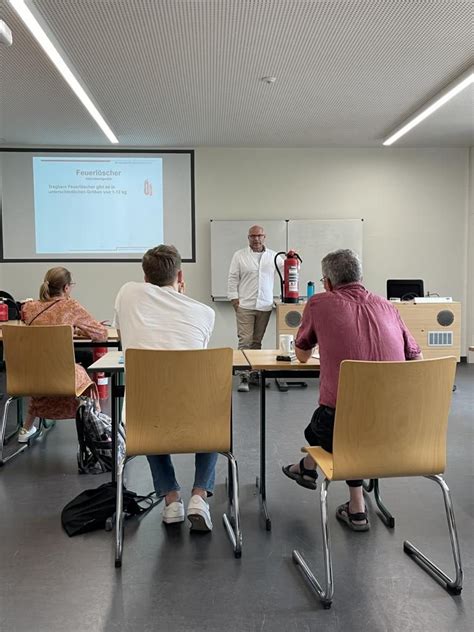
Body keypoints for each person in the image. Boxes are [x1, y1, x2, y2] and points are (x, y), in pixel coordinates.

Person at [282, 249, 422, 531]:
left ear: (329, 283)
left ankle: (314, 471)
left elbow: (302, 356)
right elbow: (415, 359)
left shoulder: (319, 303)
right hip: (399, 428)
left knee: (329, 425)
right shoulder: (388, 307)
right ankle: (335, 490)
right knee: (354, 419)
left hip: (343, 429)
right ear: (361, 277)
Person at [113, 245, 216, 532]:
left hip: (145, 419)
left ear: (145, 277)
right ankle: (199, 496)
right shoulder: (205, 313)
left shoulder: (127, 293)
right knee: (213, 409)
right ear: (180, 275)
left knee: (148, 406)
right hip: (197, 419)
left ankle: (171, 499)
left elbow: (122, 337)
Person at [19, 267, 107, 442]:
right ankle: (99, 432)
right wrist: (82, 331)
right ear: (66, 288)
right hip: (64, 375)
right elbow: (101, 334)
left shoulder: (29, 308)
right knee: (86, 380)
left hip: (33, 375)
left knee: (43, 378)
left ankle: (26, 429)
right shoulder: (71, 306)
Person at [227, 225, 282, 392]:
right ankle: (243, 377)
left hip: (264, 305)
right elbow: (232, 277)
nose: (256, 239)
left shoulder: (273, 257)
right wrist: (234, 299)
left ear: (264, 237)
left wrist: (293, 258)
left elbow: (289, 269)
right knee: (245, 341)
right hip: (245, 305)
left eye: (259, 236)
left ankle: (255, 375)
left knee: (257, 342)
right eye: (253, 236)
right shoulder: (239, 255)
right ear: (248, 238)